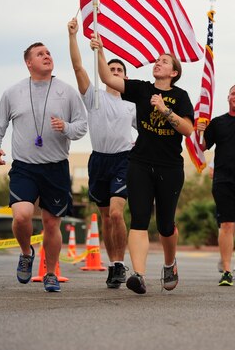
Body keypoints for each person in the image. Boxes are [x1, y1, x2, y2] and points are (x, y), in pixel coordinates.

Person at [90, 34, 194, 295]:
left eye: (164, 61)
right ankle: (139, 274)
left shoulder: (181, 96)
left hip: (169, 166)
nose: (157, 63)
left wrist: (165, 110)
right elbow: (108, 78)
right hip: (139, 163)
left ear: (174, 72)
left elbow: (188, 129)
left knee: (165, 225)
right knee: (138, 219)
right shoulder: (142, 89)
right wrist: (100, 51)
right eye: (157, 60)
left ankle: (170, 264)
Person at [0, 42, 87, 292]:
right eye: (40, 54)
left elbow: (82, 126)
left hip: (56, 167)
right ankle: (25, 253)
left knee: (51, 224)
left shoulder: (67, 92)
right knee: (21, 216)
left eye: (48, 53)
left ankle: (51, 273)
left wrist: (65, 127)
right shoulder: (13, 92)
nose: (47, 56)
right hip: (25, 167)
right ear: (28, 63)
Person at [67, 18, 136, 288]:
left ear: (125, 77)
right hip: (99, 161)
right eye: (112, 68)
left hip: (123, 160)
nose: (116, 71)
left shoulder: (131, 104)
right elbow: (77, 67)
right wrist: (74, 36)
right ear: (105, 73)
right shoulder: (94, 96)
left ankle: (120, 263)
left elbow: (147, 129)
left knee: (118, 214)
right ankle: (113, 264)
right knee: (106, 217)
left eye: (120, 70)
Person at [197, 84, 235, 286]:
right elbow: (203, 146)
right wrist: (199, 132)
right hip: (223, 180)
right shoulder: (218, 122)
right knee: (227, 225)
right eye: (234, 93)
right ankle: (226, 270)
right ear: (228, 97)